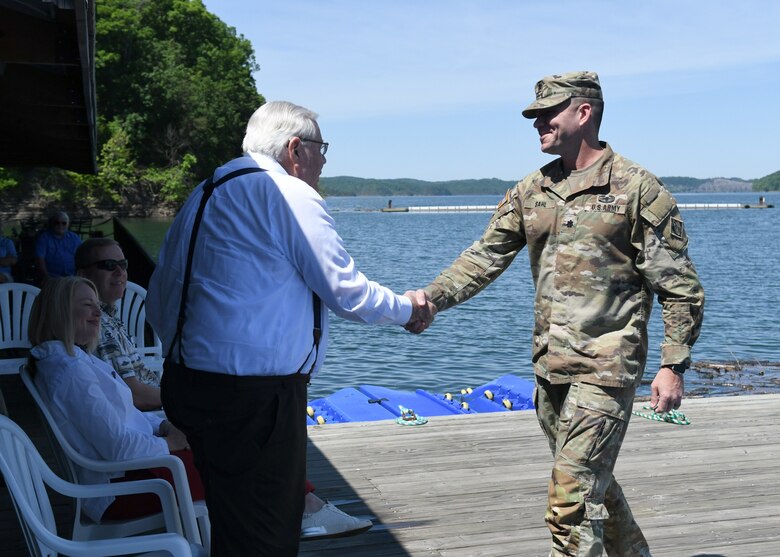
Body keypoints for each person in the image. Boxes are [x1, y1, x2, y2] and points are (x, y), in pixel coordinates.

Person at [420, 72, 704, 557]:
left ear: (584, 113)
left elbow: (680, 287)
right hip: (550, 368)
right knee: (594, 487)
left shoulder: (637, 189)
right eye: (534, 115)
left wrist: (672, 364)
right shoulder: (532, 191)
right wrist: (429, 300)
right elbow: (483, 257)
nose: (536, 123)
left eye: (547, 113)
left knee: (570, 501)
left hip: (607, 368)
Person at [146, 100, 435, 556]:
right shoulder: (289, 195)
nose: (323, 162)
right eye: (322, 149)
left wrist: (185, 356)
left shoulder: (203, 192)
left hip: (189, 384)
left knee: (232, 520)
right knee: (267, 534)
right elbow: (346, 292)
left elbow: (161, 294)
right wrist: (408, 308)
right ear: (295, 149)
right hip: (253, 401)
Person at [74, 237, 372, 538]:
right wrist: (179, 415)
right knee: (241, 442)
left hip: (142, 455)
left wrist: (166, 424)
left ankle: (302, 504)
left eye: (123, 265)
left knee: (243, 429)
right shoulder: (87, 346)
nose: (120, 272)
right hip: (131, 481)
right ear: (82, 274)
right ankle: (303, 507)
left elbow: (123, 409)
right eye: (108, 266)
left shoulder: (99, 329)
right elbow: (131, 405)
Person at [26, 276, 201, 524]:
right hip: (123, 489)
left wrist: (162, 426)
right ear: (60, 312)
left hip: (134, 473)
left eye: (97, 304)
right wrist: (170, 443)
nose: (98, 311)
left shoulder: (70, 359)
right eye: (87, 304)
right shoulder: (70, 372)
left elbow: (126, 413)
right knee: (234, 468)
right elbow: (118, 448)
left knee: (227, 454)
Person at [34, 210, 82, 282]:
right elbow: (39, 259)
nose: (60, 225)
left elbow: (83, 255)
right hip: (52, 278)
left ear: (68, 224)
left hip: (72, 277)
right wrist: (46, 277)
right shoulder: (44, 238)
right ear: (52, 223)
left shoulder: (75, 238)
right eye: (57, 223)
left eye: (64, 223)